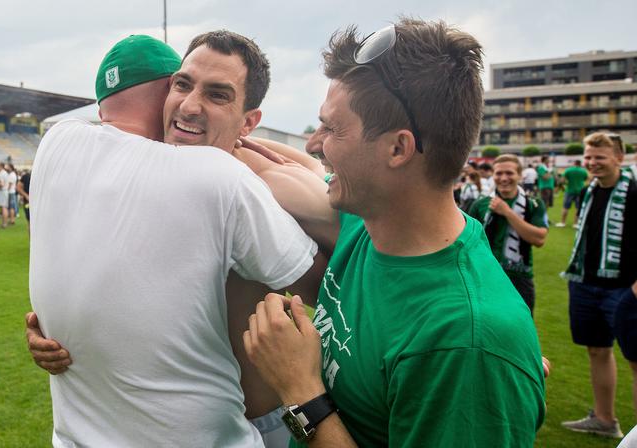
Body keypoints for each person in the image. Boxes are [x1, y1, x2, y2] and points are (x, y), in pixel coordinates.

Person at [243, 18, 545, 447]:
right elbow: (286, 168)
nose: (314, 143)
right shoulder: (368, 226)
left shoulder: (463, 342)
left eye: (332, 128)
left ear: (398, 149)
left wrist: (300, 391)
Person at [28, 33, 327, 448]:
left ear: (247, 121)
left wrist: (310, 171)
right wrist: (58, 322)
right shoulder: (152, 174)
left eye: (217, 95)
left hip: (260, 420)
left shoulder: (253, 179)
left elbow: (334, 278)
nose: (187, 105)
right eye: (181, 85)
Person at [561, 131, 637, 439]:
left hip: (624, 288)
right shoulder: (587, 191)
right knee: (597, 350)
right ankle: (605, 419)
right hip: (585, 283)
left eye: (600, 157)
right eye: (588, 157)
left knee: (636, 360)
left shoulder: (634, 192)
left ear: (619, 158)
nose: (592, 163)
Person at [468, 154, 548, 315]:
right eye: (499, 173)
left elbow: (539, 239)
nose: (504, 178)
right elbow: (469, 242)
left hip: (520, 277)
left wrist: (507, 212)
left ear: (519, 175)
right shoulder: (480, 204)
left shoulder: (534, 203)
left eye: (510, 173)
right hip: (486, 277)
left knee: (521, 332)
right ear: (493, 175)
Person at [556, 159, 588, 228]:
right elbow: (585, 179)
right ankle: (575, 224)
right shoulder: (583, 171)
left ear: (574, 163)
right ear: (580, 164)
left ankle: (562, 222)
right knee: (578, 208)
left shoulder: (568, 170)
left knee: (565, 207)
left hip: (569, 191)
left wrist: (565, 184)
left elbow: (562, 180)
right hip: (580, 191)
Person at [0, 162, 9, 228]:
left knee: (3, 208)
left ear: (1, 166)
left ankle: (4, 223)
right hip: (4, 191)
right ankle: (4, 223)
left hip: (2, 191)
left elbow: (1, 184)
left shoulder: (1, 174)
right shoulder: (4, 173)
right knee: (3, 207)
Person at [16, 169, 31, 235]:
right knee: (30, 222)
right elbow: (18, 187)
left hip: (40, 203)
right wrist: (26, 196)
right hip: (28, 203)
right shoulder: (26, 176)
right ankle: (32, 244)